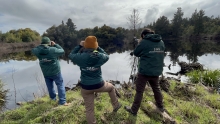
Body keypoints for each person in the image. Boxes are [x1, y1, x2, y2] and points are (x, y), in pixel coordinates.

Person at [68, 36, 121, 124]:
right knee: (111, 87)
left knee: (89, 110)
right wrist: (98, 48)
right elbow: (107, 56)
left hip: (86, 87)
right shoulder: (99, 56)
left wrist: (79, 46)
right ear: (95, 46)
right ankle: (116, 105)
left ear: (85, 45)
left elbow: (70, 55)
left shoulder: (80, 57)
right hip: (99, 85)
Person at [124, 28, 165, 116]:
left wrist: (139, 43)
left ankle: (134, 111)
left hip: (144, 72)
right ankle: (160, 107)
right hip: (156, 71)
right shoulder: (161, 41)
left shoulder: (144, 42)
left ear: (143, 35)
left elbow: (136, 53)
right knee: (156, 89)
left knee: (139, 91)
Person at [32, 36, 69, 106]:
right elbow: (62, 51)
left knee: (50, 87)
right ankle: (62, 102)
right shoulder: (53, 49)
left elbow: (33, 49)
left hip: (46, 73)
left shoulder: (38, 51)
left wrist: (41, 46)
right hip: (56, 72)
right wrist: (55, 44)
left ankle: (53, 99)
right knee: (60, 85)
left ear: (42, 43)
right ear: (49, 43)